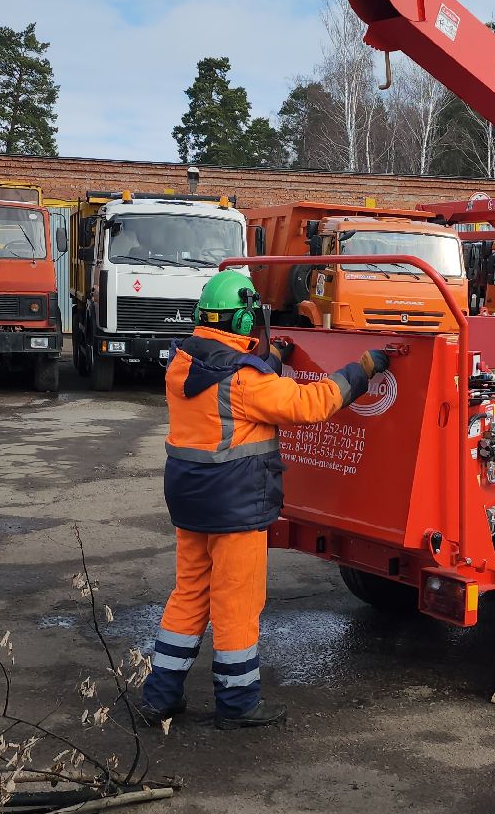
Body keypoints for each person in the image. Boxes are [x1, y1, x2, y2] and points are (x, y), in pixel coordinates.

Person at [139, 270, 388, 729]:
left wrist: (271, 356)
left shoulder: (181, 364)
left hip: (191, 506)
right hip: (236, 508)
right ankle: (237, 703)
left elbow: (234, 381)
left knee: (189, 594)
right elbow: (310, 403)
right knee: (236, 603)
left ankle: (160, 696)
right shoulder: (246, 381)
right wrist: (363, 370)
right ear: (243, 321)